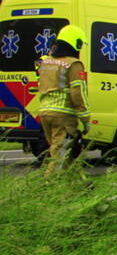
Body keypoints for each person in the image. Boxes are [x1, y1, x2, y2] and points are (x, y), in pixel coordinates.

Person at [36, 25, 90, 175]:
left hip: (45, 112)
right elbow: (77, 93)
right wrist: (85, 118)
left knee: (66, 151)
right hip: (63, 115)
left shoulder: (45, 62)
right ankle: (49, 185)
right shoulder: (74, 64)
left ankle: (79, 184)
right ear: (76, 44)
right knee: (60, 155)